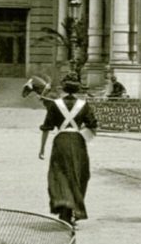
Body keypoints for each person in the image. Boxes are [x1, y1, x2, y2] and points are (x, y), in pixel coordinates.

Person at [39, 72, 97, 227]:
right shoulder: (84, 105)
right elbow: (93, 126)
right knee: (79, 175)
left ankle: (64, 209)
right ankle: (75, 210)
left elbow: (46, 128)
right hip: (78, 142)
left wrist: (42, 149)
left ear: (64, 88)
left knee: (59, 175)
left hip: (60, 141)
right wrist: (81, 136)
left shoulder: (54, 105)